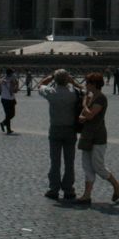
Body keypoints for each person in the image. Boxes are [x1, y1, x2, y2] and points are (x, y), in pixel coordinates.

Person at [74, 72, 119, 204]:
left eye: (88, 83)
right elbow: (84, 115)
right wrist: (82, 114)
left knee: (98, 166)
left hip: (98, 135)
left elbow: (90, 115)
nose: (86, 85)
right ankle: (86, 195)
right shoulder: (91, 96)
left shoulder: (100, 98)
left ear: (94, 84)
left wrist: (84, 105)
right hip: (87, 134)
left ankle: (116, 185)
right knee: (87, 166)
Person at [38, 69, 82, 200]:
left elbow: (40, 85)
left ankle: (54, 189)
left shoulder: (51, 92)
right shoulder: (74, 93)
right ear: (67, 79)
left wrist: (51, 77)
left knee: (55, 161)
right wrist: (73, 81)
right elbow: (85, 90)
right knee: (70, 161)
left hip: (55, 129)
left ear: (55, 80)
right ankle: (69, 189)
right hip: (70, 130)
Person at [0, 68, 19, 134]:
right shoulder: (11, 80)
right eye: (12, 73)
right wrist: (15, 83)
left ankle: (6, 127)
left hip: (4, 99)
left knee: (9, 115)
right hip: (8, 99)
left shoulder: (2, 79)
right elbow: (13, 90)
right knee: (11, 114)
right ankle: (6, 126)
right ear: (10, 73)